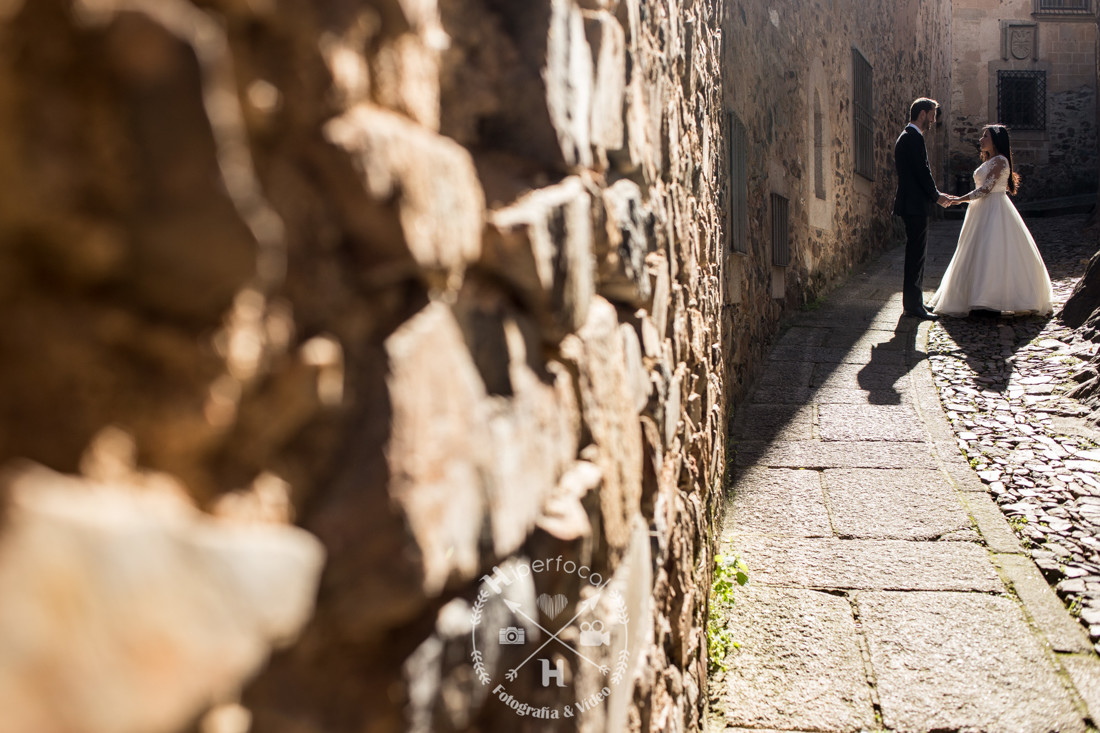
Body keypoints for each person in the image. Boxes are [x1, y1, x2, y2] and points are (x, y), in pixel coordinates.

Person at [929, 124, 1053, 317]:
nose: (981, 140)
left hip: (994, 209)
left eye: (985, 136)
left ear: (995, 140)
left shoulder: (1000, 162)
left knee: (992, 250)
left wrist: (959, 199)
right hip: (980, 210)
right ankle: (975, 298)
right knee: (974, 250)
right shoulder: (991, 161)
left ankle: (989, 301)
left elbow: (986, 189)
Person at [893, 97, 952, 321]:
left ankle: (915, 301)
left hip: (913, 204)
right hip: (914, 205)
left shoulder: (909, 137)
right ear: (923, 114)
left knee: (917, 253)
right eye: (932, 114)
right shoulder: (912, 138)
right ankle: (912, 305)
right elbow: (922, 172)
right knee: (916, 254)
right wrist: (936, 196)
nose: (934, 119)